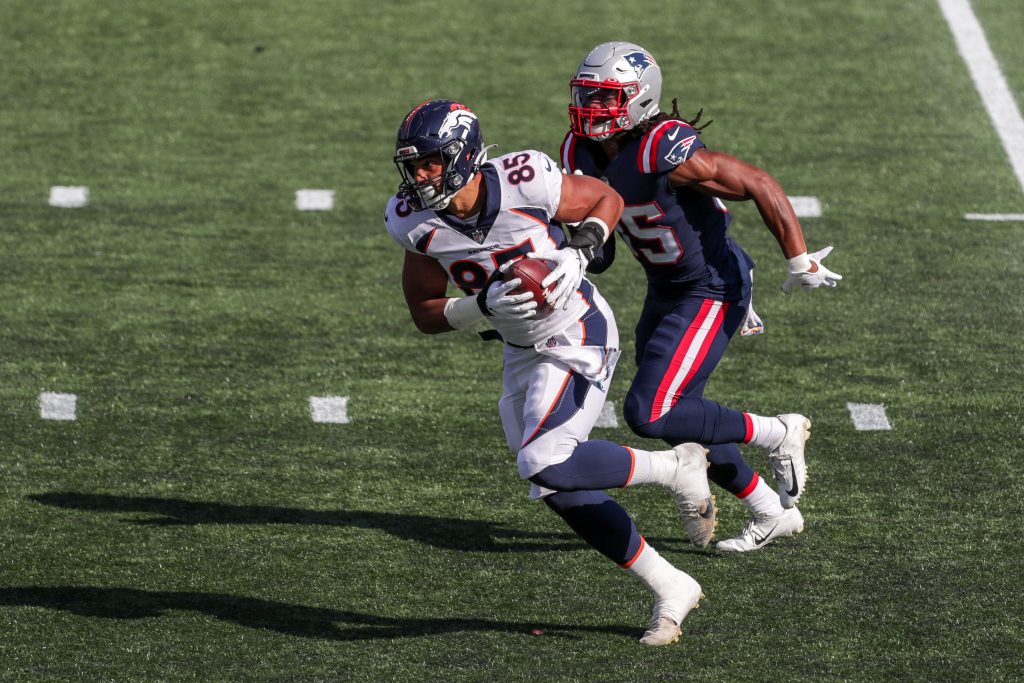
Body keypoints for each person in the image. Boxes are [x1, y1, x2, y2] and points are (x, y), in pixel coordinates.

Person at [385, 98, 716, 645]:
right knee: (554, 485)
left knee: (545, 459)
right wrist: (478, 308)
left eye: (432, 162)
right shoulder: (413, 221)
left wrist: (583, 246)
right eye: (412, 165)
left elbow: (606, 198)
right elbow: (424, 312)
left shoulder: (525, 179)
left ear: (466, 156)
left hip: (578, 330)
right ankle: (671, 585)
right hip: (521, 348)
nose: (420, 176)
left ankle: (676, 466)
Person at [559, 42, 843, 552]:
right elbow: (602, 245)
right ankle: (768, 510)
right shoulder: (577, 152)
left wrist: (799, 258)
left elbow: (758, 182)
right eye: (586, 95)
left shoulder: (663, 150)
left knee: (651, 409)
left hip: (713, 287)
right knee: (675, 414)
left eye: (604, 98)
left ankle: (776, 432)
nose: (590, 109)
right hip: (666, 286)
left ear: (637, 99)